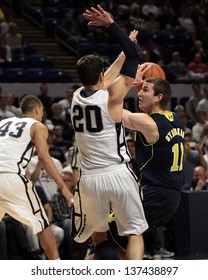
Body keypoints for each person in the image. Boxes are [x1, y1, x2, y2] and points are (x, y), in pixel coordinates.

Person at [71, 4, 148, 260]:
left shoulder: (76, 97)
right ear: (102, 75)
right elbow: (135, 55)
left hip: (89, 180)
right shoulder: (111, 98)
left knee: (99, 235)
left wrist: (121, 56)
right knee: (135, 232)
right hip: (117, 173)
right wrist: (113, 26)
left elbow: (107, 75)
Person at [0, 94, 74, 260]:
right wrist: (63, 187)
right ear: (37, 110)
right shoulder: (37, 125)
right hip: (11, 176)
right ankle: (56, 267)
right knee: (41, 223)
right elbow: (43, 156)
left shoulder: (3, 123)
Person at [120, 74, 185, 258]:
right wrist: (145, 88)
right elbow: (162, 89)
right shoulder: (174, 117)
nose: (139, 93)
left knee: (121, 230)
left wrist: (125, 84)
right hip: (170, 193)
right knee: (121, 232)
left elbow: (115, 110)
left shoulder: (150, 124)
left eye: (145, 90)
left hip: (158, 192)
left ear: (158, 97)